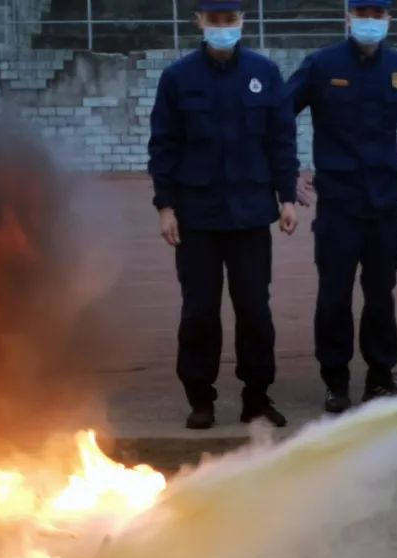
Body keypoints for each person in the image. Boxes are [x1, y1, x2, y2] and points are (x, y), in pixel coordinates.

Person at [148, 0, 298, 431]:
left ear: (242, 21)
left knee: (255, 310)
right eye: (214, 20)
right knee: (199, 311)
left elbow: (280, 140)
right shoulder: (178, 78)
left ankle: (256, 398)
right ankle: (201, 399)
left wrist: (286, 196)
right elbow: (164, 146)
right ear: (199, 22)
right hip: (197, 216)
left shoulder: (263, 74)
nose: (222, 27)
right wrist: (165, 206)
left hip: (251, 215)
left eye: (229, 20)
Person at [288, 0, 397, 414]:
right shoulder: (321, 64)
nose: (369, 22)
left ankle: (380, 377)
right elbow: (280, 111)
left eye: (378, 14)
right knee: (334, 295)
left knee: (381, 294)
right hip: (339, 202)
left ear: (389, 19)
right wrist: (289, 171)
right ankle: (335, 381)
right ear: (348, 18)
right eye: (362, 14)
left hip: (385, 202)